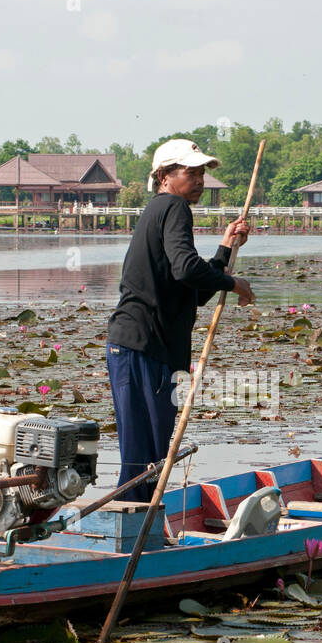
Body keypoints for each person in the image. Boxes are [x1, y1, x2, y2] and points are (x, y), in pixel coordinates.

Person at [106, 139, 256, 502]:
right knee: (144, 460)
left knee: (149, 456)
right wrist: (234, 283)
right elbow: (187, 268)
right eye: (191, 172)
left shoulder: (160, 209)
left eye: (202, 172)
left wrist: (223, 251)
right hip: (143, 347)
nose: (200, 179)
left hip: (143, 348)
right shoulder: (173, 207)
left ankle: (139, 534)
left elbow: (189, 289)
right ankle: (132, 538)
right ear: (164, 176)